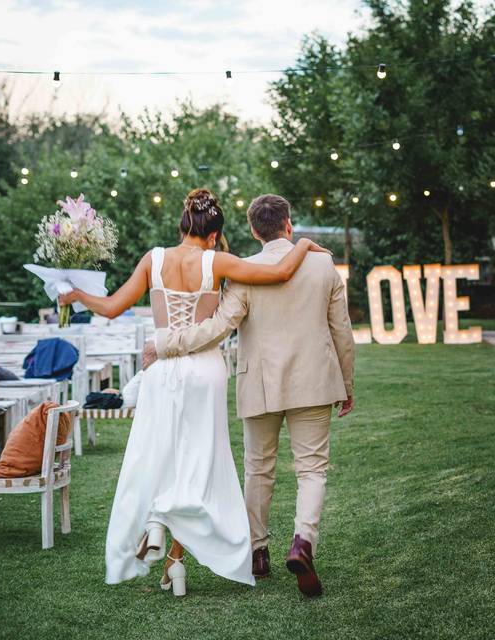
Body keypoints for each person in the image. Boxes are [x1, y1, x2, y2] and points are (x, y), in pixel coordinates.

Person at [58, 188, 329, 596]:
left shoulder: (154, 259)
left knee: (157, 456)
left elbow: (113, 306)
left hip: (162, 370)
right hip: (204, 369)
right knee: (197, 463)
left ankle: (154, 528)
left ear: (183, 225)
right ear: (216, 234)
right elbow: (279, 273)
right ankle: (174, 559)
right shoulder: (217, 261)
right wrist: (303, 242)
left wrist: (76, 295)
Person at [142, 193, 355, 598]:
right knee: (311, 469)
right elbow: (342, 330)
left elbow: (219, 327)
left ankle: (258, 552)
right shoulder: (323, 263)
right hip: (314, 382)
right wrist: (347, 384)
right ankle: (303, 542)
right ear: (288, 225)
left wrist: (167, 343)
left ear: (255, 230)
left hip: (258, 382)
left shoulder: (242, 269)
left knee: (258, 468)